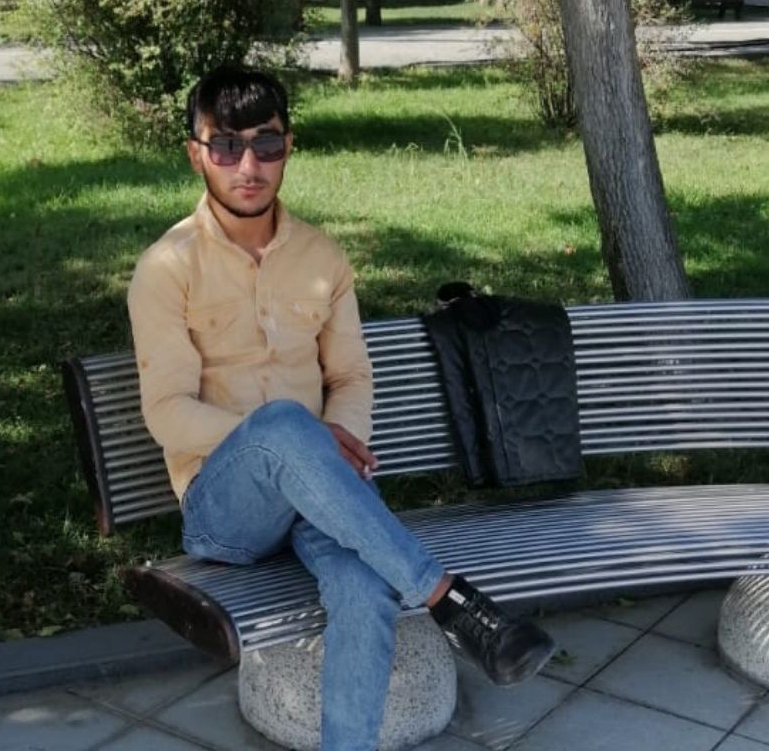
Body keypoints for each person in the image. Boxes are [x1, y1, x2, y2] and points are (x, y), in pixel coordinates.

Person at [127, 65, 557, 751]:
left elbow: (352, 376)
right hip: (226, 510)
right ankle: (450, 600)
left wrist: (335, 439)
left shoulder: (321, 257)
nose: (248, 166)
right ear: (195, 154)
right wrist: (296, 441)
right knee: (282, 425)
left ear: (288, 147)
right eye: (226, 146)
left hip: (322, 494)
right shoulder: (167, 267)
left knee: (363, 586)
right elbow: (168, 413)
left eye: (266, 144)